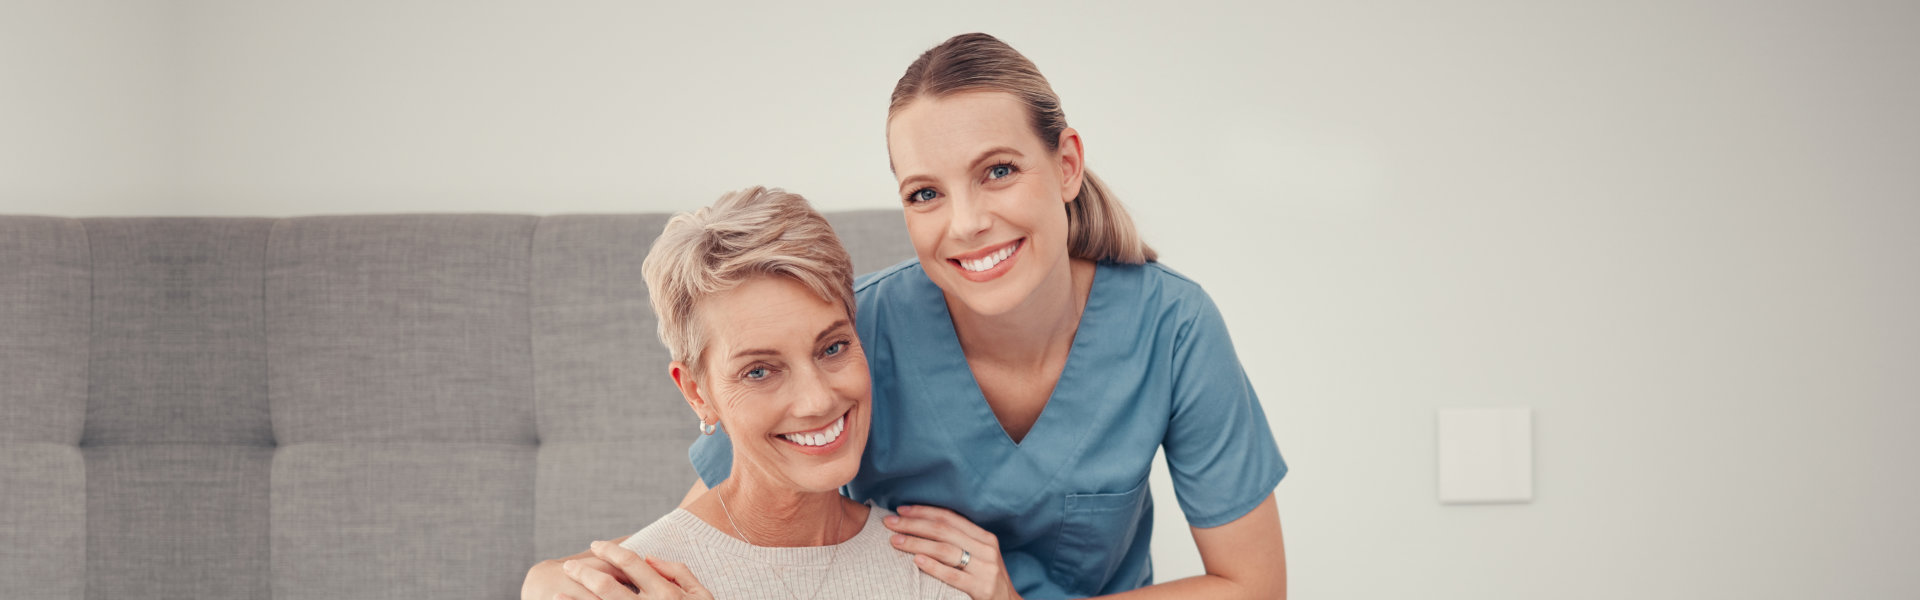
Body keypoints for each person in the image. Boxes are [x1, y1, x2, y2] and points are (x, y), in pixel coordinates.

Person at [526, 33, 1288, 600]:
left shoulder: (1173, 327)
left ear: (1066, 164)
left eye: (997, 171)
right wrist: (547, 584)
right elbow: (714, 521)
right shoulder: (852, 339)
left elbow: (1253, 586)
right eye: (926, 193)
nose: (966, 223)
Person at [554, 186, 968, 600]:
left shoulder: (928, 570)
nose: (818, 400)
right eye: (759, 371)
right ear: (697, 393)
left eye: (833, 347)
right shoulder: (637, 585)